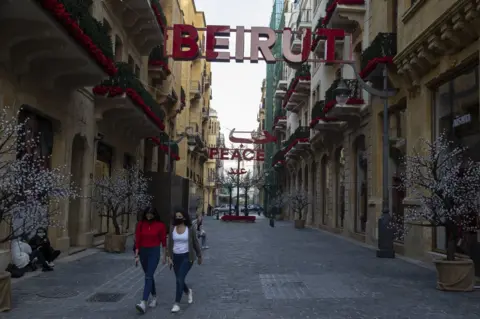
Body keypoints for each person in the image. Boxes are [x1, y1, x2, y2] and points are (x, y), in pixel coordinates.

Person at [167, 208, 202, 313]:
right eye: (176, 216)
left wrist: (200, 255)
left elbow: (195, 242)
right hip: (175, 257)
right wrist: (169, 256)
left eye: (180, 216)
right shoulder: (172, 228)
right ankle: (187, 291)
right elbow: (169, 243)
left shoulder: (190, 228)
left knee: (179, 279)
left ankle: (176, 303)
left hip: (187, 257)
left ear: (184, 217)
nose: (178, 218)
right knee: (179, 279)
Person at [134, 207, 167, 314]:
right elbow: (138, 239)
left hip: (154, 252)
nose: (149, 216)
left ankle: (143, 302)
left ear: (154, 214)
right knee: (149, 275)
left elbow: (163, 241)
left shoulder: (160, 225)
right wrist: (136, 254)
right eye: (147, 213)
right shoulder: (140, 224)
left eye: (151, 214)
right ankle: (154, 297)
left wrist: (164, 255)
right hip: (143, 252)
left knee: (148, 276)